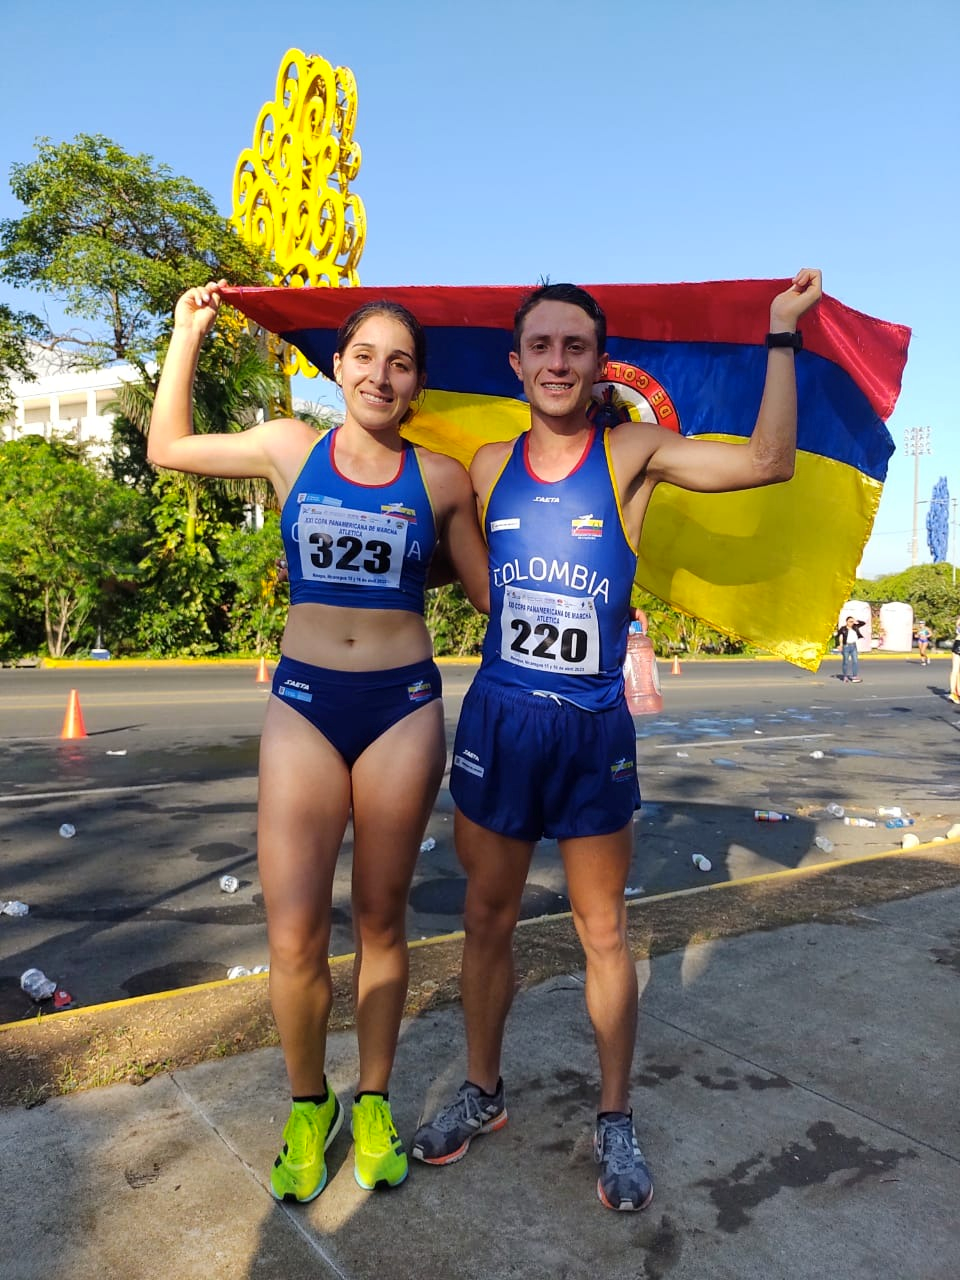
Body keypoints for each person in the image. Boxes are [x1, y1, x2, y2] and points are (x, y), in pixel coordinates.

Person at [411, 269, 823, 1210]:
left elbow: (768, 462)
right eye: (543, 347)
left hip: (591, 726)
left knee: (604, 931)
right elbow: (464, 576)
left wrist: (781, 335)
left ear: (602, 364)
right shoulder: (483, 467)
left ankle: (614, 1117)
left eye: (577, 346)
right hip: (500, 721)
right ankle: (481, 1094)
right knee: (486, 920)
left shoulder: (632, 452)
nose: (559, 362)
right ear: (518, 364)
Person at [148, 281, 489, 1203]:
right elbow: (166, 446)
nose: (381, 374)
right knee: (294, 932)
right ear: (336, 368)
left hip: (403, 707)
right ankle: (311, 1106)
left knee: (382, 920)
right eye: (366, 357)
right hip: (303, 704)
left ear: (418, 385)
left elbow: (497, 593)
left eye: (401, 362)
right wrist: (188, 333)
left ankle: (371, 1099)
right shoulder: (288, 448)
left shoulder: (444, 480)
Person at [836, 616, 865, 682]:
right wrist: (838, 645)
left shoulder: (855, 627)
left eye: (852, 621)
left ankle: (854, 676)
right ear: (847, 622)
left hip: (854, 646)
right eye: (850, 621)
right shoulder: (843, 629)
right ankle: (845, 676)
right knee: (845, 662)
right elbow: (837, 637)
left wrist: (856, 621)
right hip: (846, 646)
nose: (851, 623)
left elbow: (863, 623)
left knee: (855, 661)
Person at [950, 618, 960, 704]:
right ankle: (954, 693)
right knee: (956, 670)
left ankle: (956, 692)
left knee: (956, 671)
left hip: (958, 642)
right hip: (959, 643)